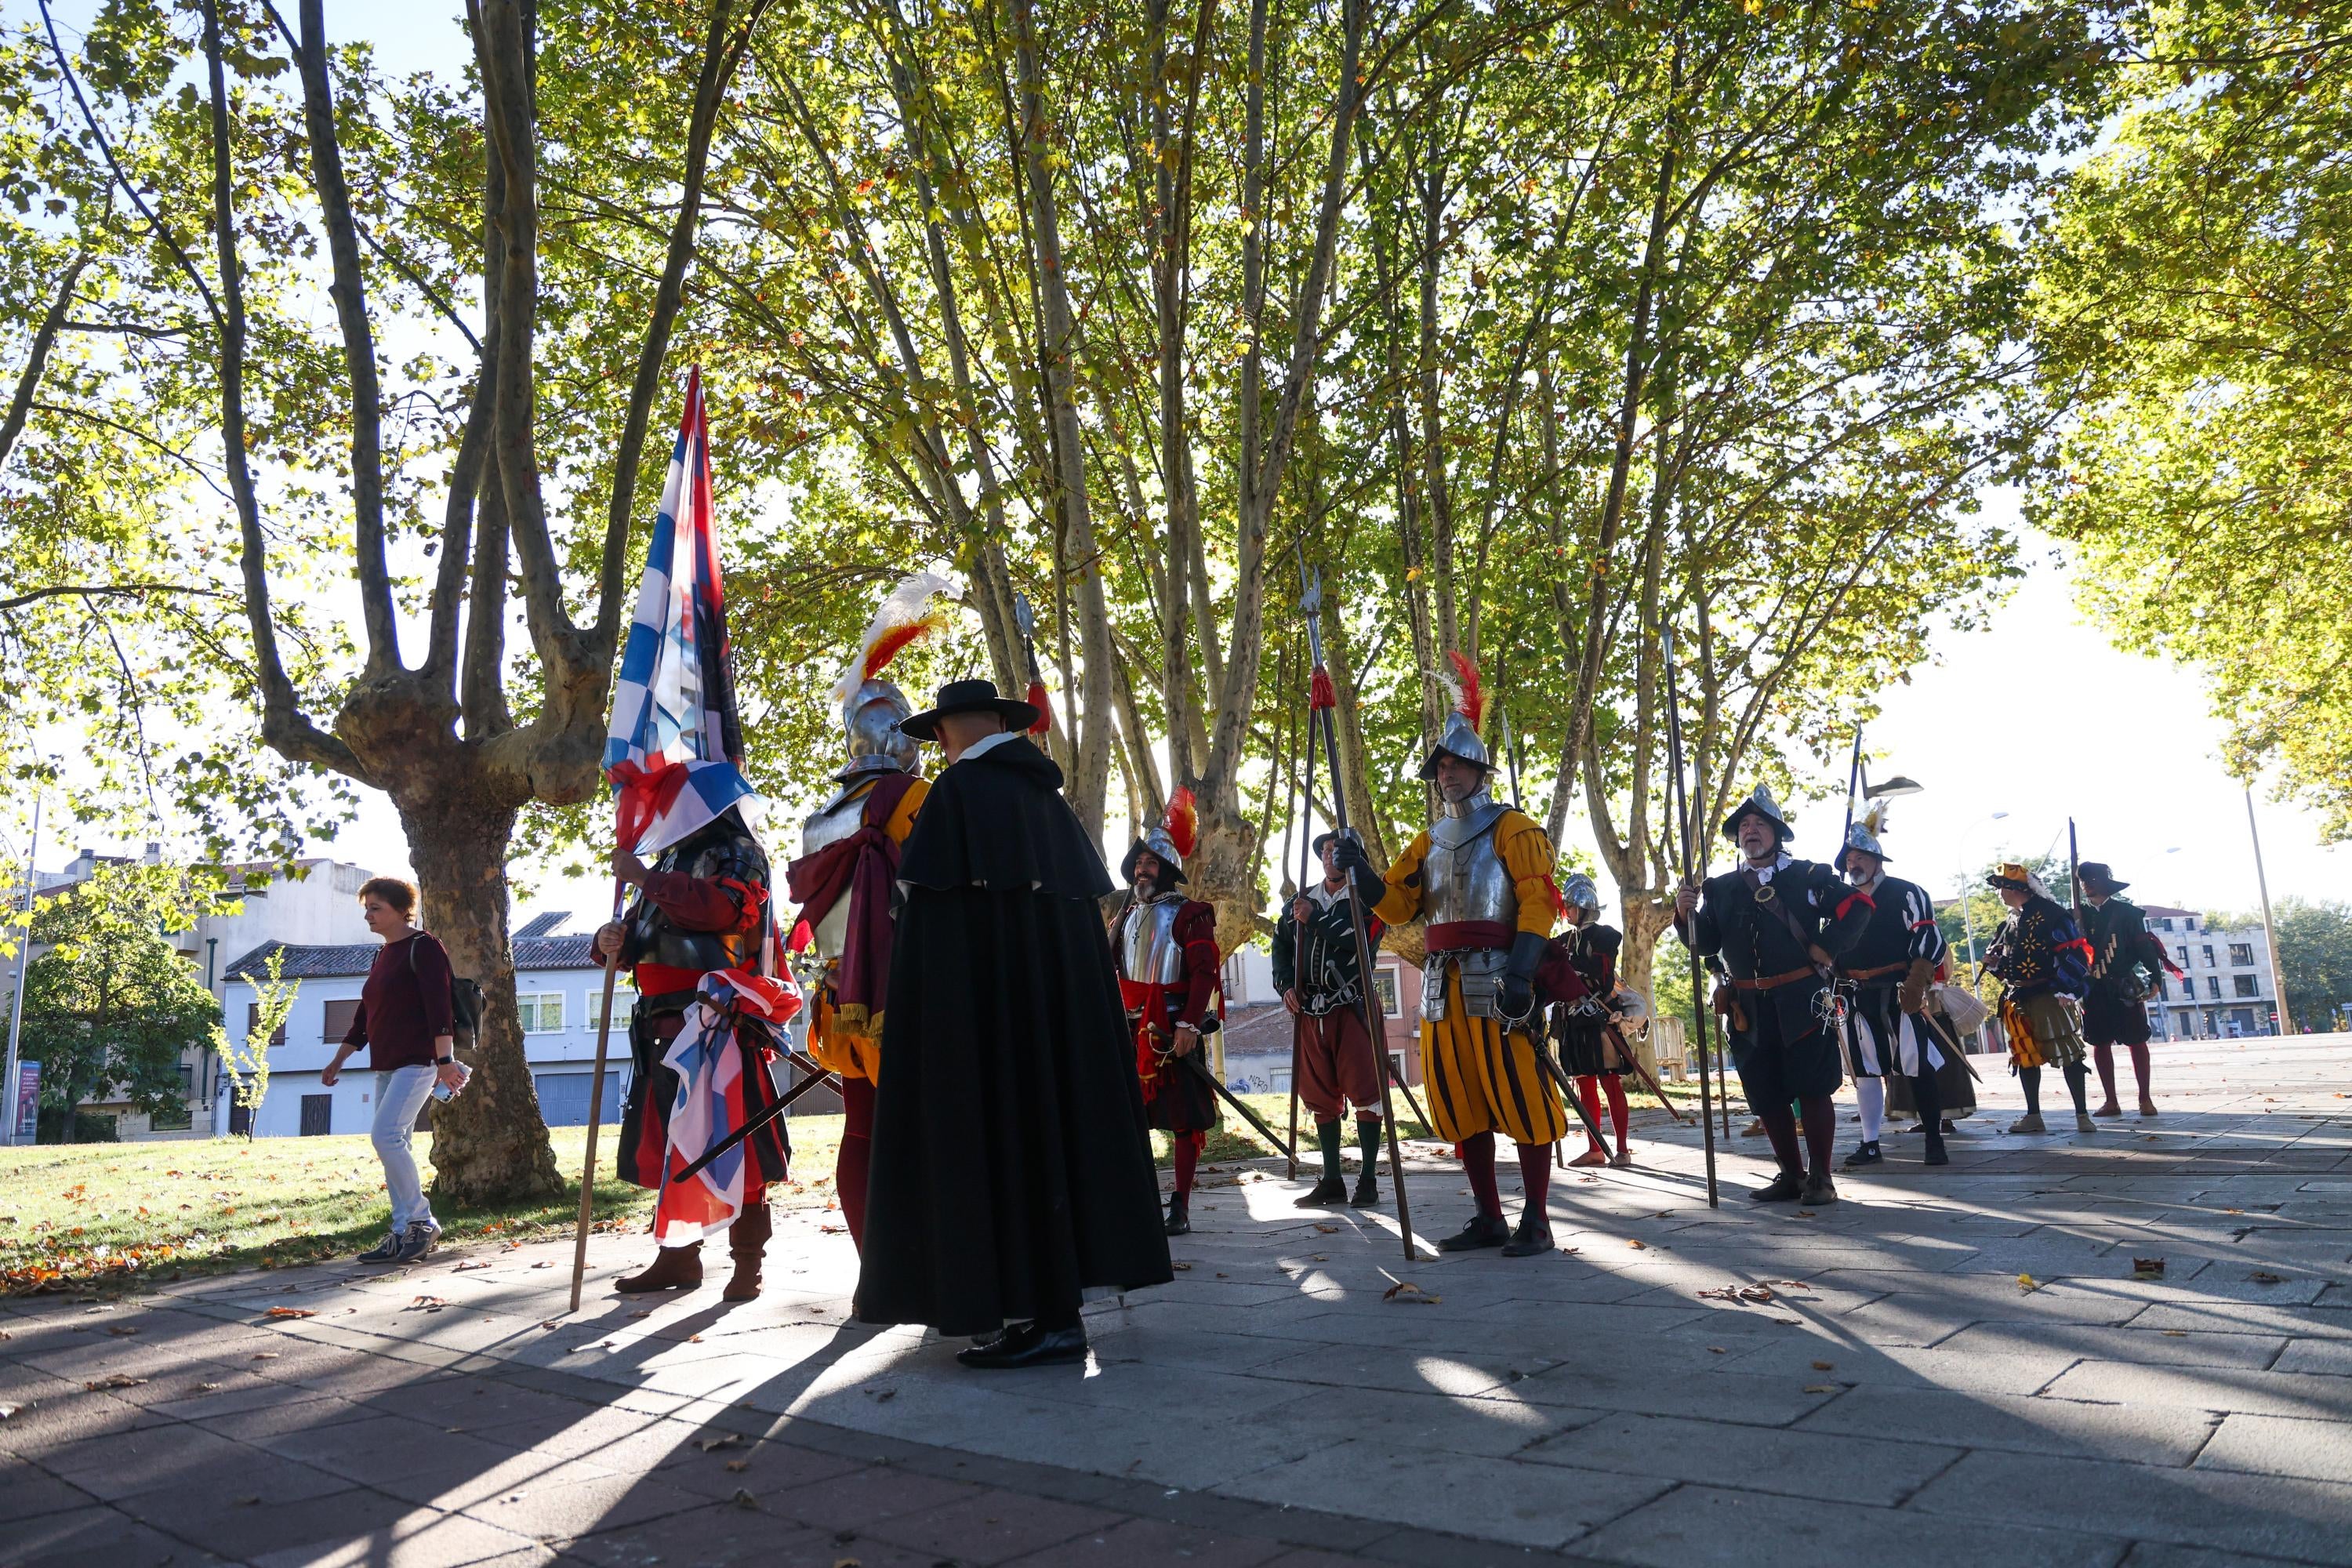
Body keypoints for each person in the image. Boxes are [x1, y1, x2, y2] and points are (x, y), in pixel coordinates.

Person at [856, 679, 1173, 1370]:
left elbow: (932, 940)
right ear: (1002, 722)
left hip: (985, 1033)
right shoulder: (1046, 803)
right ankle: (1052, 1314)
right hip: (1054, 1033)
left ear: (948, 731)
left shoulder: (956, 798)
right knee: (1049, 1139)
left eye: (939, 734)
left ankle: (1048, 1318)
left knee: (1005, 1140)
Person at [1329, 653, 1567, 1257]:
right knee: (1461, 1104)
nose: (1448, 775)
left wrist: (1521, 971)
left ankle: (1535, 1219)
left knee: (1521, 1097)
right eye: (1441, 768)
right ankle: (1488, 1216)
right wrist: (1362, 872)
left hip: (1499, 981)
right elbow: (1400, 907)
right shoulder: (1427, 842)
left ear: (1480, 770)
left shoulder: (1515, 828)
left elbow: (1539, 904)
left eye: (1458, 765)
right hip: (1442, 988)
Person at [785, 577, 939, 1250]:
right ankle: (932, 1264)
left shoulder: (820, 820)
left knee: (865, 1131)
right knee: (937, 1129)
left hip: (843, 997)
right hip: (917, 993)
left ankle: (873, 1266)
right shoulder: (918, 799)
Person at [592, 804, 790, 1298]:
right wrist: (610, 940)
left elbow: (716, 912)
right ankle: (678, 1258)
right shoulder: (666, 864)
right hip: (661, 1024)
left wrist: (643, 878)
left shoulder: (741, 852)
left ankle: (749, 1264)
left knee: (735, 1144)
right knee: (671, 1147)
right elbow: (645, 941)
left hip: (722, 1023)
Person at [1671, 786, 1873, 1204]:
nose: (1750, 831)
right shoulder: (1722, 887)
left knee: (1812, 1088)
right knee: (1767, 1093)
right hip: (1748, 1007)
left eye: (1759, 824)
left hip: (1803, 998)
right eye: (1744, 825)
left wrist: (1828, 946)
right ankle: (1792, 1175)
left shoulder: (1809, 876)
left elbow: (1858, 906)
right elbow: (1705, 944)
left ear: (1776, 833)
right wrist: (1684, 913)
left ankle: (1821, 1177)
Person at [322, 877, 466, 1265]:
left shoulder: (425, 947)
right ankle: (403, 1231)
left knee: (385, 1137)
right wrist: (339, 1058)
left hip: (418, 1061)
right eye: (366, 909)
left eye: (376, 908)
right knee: (393, 1145)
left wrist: (445, 1061)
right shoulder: (382, 955)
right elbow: (365, 1016)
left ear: (403, 910)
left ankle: (421, 1221)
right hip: (386, 1063)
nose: (368, 915)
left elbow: (439, 1008)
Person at [1112, 791, 1224, 1237]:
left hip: (1172, 1026)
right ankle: (1138, 1200)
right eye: (1139, 863)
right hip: (1129, 1025)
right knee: (1127, 1118)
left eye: (1151, 864)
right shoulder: (1126, 915)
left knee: (1183, 1118)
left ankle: (1180, 1203)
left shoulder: (1190, 914)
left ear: (1167, 871)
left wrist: (1189, 1025)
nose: (1142, 869)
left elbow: (1203, 974)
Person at [1831, 805, 1953, 1170]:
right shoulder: (1838, 901)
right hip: (1856, 995)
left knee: (1916, 1067)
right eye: (1850, 858)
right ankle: (1870, 1144)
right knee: (1866, 1072)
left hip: (1900, 992)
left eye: (1861, 857)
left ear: (1877, 860)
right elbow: (1831, 944)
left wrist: (1916, 982)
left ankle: (1934, 1140)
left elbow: (1928, 939)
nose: (1854, 864)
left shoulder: (1907, 893)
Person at [1270, 831, 1388, 1208]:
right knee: (1320, 1095)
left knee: (1367, 1093)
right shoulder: (1300, 901)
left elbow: (1360, 942)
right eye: (1323, 851)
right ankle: (1332, 1179)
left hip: (1354, 1008)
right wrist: (1286, 985)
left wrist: (1316, 919)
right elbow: (1281, 944)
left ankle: (1367, 1178)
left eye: (1335, 850)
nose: (1327, 856)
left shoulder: (1370, 902)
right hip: (1310, 1011)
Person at [1981, 862, 2096, 1134]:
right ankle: (2034, 1116)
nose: (1999, 893)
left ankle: (2082, 1115)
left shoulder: (2054, 915)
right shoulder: (2009, 920)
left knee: (2069, 1052)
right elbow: (2006, 959)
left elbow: (2077, 955)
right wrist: (1995, 963)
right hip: (2017, 995)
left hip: (2050, 995)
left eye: (2002, 887)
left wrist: (2067, 989)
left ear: (2016, 888)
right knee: (2025, 1056)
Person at [1539, 873, 1633, 1168]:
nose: (1566, 911)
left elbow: (1601, 978)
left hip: (1600, 1016)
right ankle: (1595, 1149)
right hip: (1572, 1020)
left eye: (1570, 906)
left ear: (1584, 907)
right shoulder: (1562, 941)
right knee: (1585, 1086)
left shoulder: (1606, 936)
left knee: (1610, 1083)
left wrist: (1565, 969)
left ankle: (1621, 1149)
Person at [2076, 862, 2177, 1120]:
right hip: (2094, 987)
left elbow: (2144, 947)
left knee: (2137, 1041)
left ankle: (2145, 1098)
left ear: (2104, 883)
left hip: (2124, 984)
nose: (2087, 884)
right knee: (2100, 1043)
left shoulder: (2126, 913)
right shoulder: (2077, 916)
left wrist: (2156, 977)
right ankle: (2111, 1101)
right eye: (2084, 879)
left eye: (2092, 879)